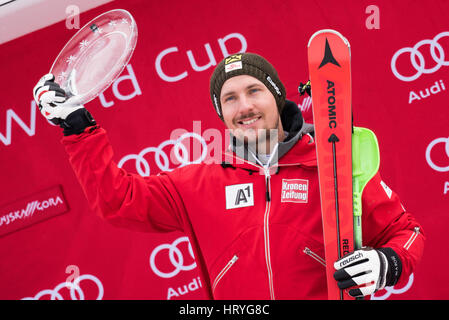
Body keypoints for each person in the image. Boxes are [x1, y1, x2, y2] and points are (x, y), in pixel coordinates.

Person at [33, 52, 424, 300]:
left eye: (254, 91)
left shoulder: (335, 164)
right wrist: (77, 127)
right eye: (230, 98)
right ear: (221, 114)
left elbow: (407, 231)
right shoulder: (199, 184)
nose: (245, 106)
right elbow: (117, 199)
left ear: (277, 97)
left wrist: (385, 263)